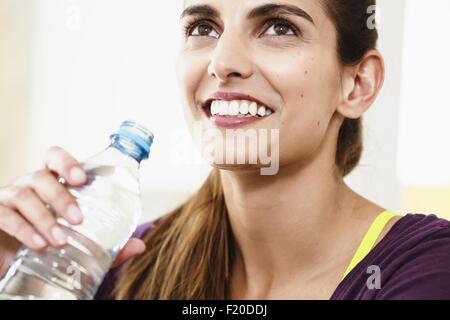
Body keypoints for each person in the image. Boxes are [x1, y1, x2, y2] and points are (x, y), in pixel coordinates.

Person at [1, 0, 450, 300]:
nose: (223, 63)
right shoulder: (122, 265)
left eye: (279, 27)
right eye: (203, 27)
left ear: (357, 84)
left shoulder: (426, 269)